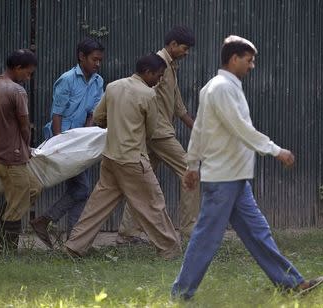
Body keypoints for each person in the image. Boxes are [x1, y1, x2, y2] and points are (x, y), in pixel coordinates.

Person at [171, 35, 323, 299]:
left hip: (234, 176)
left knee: (258, 233)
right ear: (234, 59)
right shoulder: (221, 88)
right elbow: (241, 128)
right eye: (249, 60)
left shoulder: (216, 86)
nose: (252, 66)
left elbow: (199, 129)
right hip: (223, 178)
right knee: (207, 238)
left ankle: (292, 284)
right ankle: (180, 294)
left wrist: (193, 165)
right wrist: (275, 150)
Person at [64, 54, 181, 260]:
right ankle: (169, 250)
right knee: (153, 203)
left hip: (110, 158)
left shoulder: (113, 87)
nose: (159, 80)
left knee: (97, 205)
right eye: (158, 76)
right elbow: (151, 131)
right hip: (133, 160)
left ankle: (75, 246)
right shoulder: (148, 95)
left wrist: (117, 124)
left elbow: (99, 118)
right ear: (147, 72)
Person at [117, 26, 200, 244]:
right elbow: (143, 95)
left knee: (142, 182)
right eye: (184, 48)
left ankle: (127, 234)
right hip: (159, 133)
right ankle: (190, 234)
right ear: (172, 45)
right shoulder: (157, 67)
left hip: (156, 133)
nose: (187, 52)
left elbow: (179, 106)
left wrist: (198, 128)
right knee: (191, 173)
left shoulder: (171, 67)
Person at [29, 38, 104, 248]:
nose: (97, 64)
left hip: (81, 141)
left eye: (100, 60)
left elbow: (92, 114)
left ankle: (71, 238)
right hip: (63, 140)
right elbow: (57, 114)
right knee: (81, 189)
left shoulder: (98, 81)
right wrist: (60, 144)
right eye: (94, 59)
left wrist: (87, 137)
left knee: (80, 190)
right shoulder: (67, 79)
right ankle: (49, 222)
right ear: (81, 56)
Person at [0, 49, 42, 250]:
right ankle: (7, 248)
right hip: (11, 155)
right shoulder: (17, 90)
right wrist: (26, 145)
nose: (28, 77)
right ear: (17, 68)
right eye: (28, 72)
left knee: (33, 188)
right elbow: (24, 126)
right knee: (18, 201)